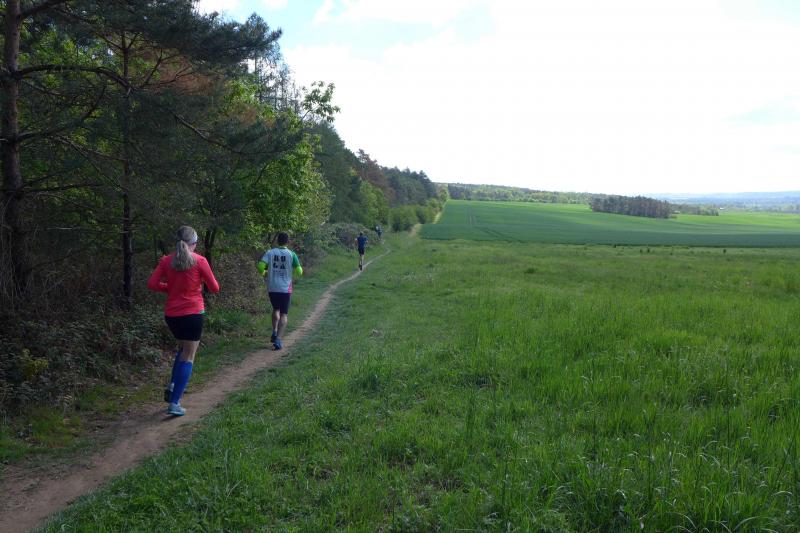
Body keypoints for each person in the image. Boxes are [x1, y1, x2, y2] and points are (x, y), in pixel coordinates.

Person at [147, 226, 220, 417]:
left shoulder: (166, 261)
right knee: (189, 355)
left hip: (172, 315)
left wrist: (170, 288)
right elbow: (214, 288)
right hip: (193, 313)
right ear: (193, 244)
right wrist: (196, 286)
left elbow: (152, 284)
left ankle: (173, 385)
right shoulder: (200, 261)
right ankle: (175, 402)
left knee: (182, 350)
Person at [258, 232, 302, 350]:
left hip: (272, 287)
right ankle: (278, 339)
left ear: (277, 241)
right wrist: (295, 270)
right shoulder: (292, 254)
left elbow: (260, 267)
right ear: (288, 241)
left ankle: (274, 331)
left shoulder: (270, 252)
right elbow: (299, 272)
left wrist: (264, 272)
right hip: (285, 289)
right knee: (284, 314)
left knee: (275, 309)